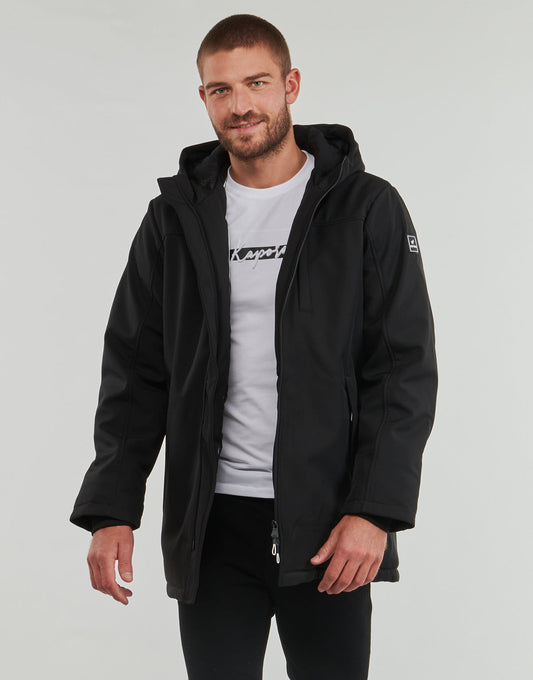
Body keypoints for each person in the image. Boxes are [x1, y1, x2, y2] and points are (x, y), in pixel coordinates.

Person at [70, 13, 438, 680]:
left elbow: (400, 369)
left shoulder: (364, 207)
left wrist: (373, 510)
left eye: (257, 83)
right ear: (204, 98)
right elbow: (136, 370)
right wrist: (111, 509)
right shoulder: (175, 217)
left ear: (290, 85)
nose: (240, 105)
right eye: (221, 89)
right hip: (210, 525)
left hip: (329, 524)